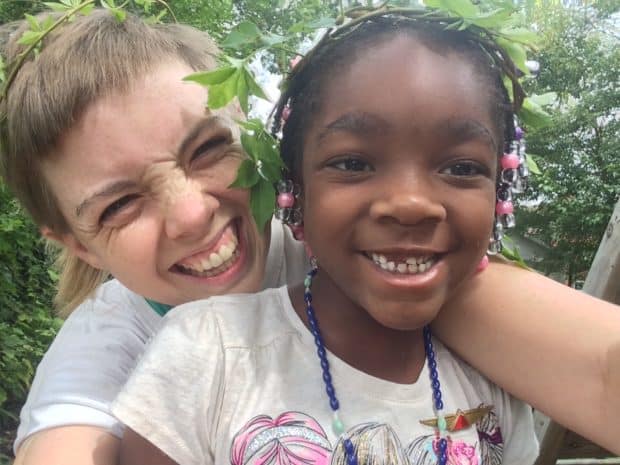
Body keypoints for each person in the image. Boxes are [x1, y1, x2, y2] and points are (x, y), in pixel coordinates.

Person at [1, 8, 618, 465]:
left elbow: (601, 371)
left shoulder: (379, 255)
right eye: (119, 205)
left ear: (263, 144)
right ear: (77, 244)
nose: (190, 215)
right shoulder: (110, 342)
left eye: (208, 149)